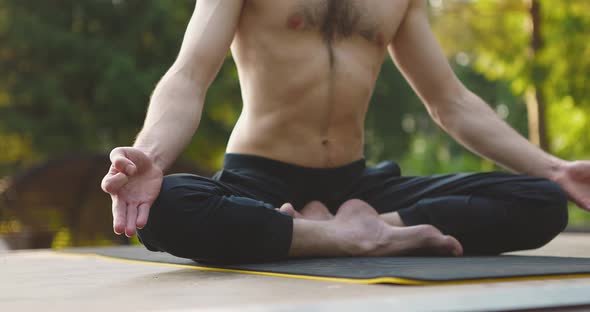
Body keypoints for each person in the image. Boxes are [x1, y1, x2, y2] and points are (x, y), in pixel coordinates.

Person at [101, 0, 590, 264]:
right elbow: (189, 76)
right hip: (261, 179)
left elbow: (451, 102)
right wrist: (152, 156)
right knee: (163, 209)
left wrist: (556, 170)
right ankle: (340, 236)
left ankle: (365, 228)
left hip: (360, 189)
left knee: (542, 201)